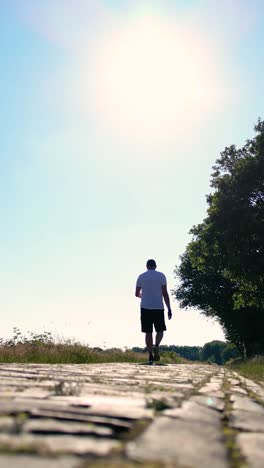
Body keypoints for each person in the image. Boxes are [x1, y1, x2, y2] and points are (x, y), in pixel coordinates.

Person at [135, 259, 172, 364]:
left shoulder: (141, 277)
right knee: (160, 330)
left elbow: (137, 293)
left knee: (148, 332)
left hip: (145, 307)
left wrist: (144, 296)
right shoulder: (161, 276)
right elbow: (165, 293)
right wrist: (169, 308)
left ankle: (150, 355)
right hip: (158, 307)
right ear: (155, 266)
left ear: (146, 266)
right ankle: (156, 345)